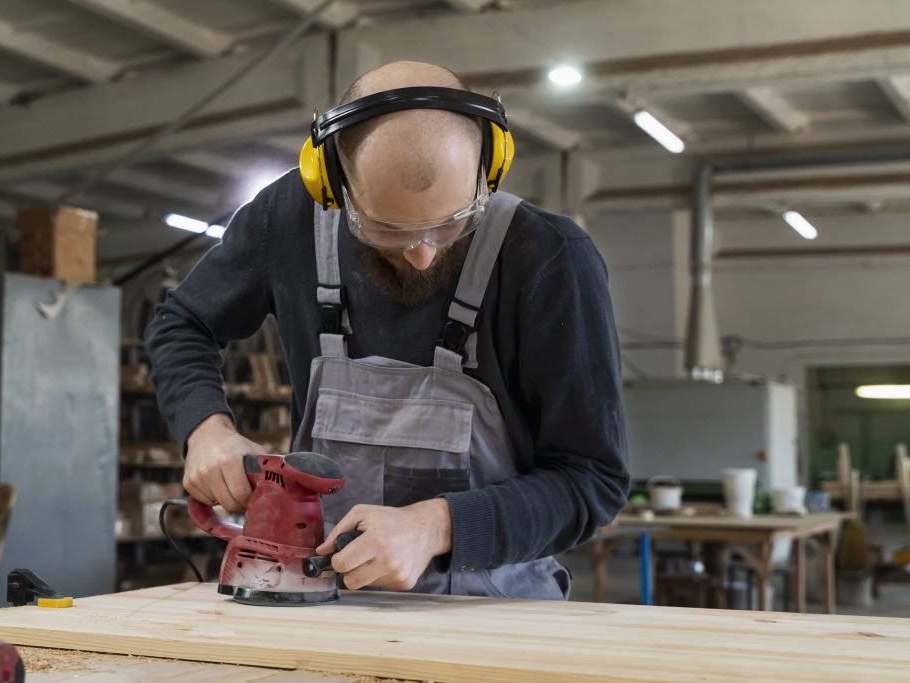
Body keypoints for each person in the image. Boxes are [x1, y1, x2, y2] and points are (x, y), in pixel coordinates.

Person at [145, 61, 629, 600]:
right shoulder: (286, 221)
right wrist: (205, 428)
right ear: (332, 183)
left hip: (497, 614)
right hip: (328, 601)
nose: (423, 255)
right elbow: (181, 322)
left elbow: (592, 482)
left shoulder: (551, 260)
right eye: (386, 229)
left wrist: (437, 525)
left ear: (488, 170)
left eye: (452, 223)